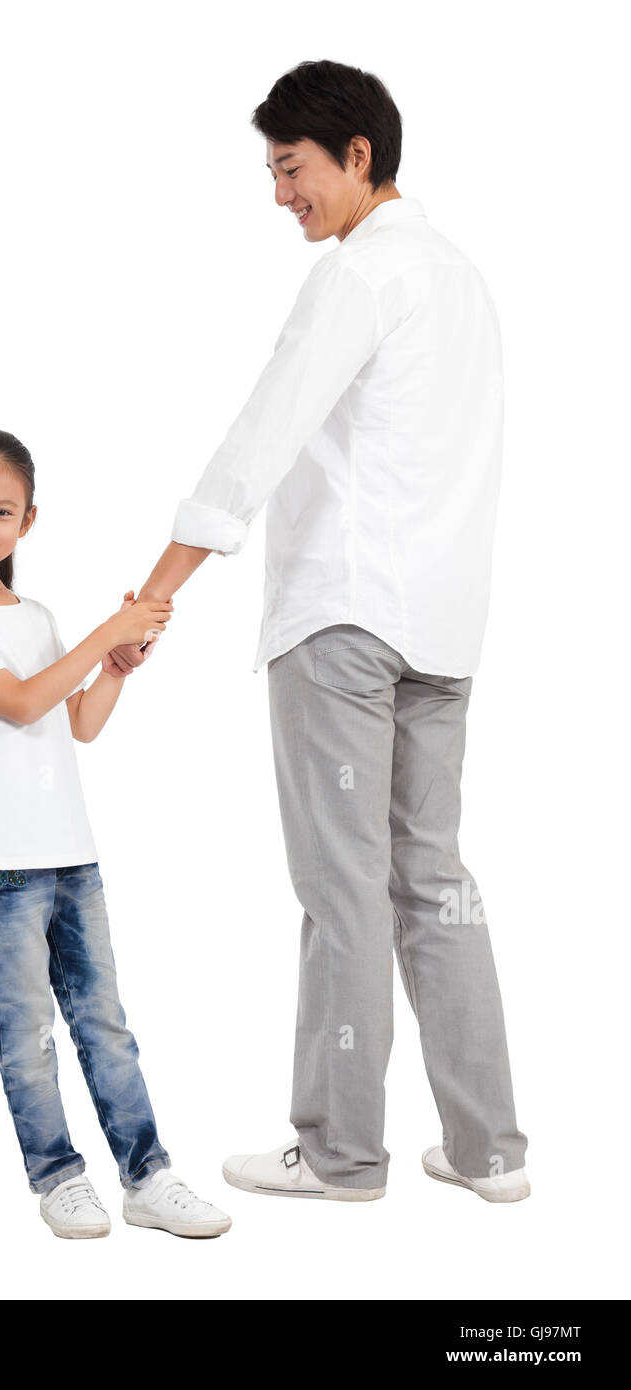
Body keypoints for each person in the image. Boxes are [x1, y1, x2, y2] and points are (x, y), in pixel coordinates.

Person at [108, 59, 530, 1204]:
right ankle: (488, 1151)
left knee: (341, 889)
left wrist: (156, 592)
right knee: (431, 882)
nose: (277, 195)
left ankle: (341, 1154)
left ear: (355, 155)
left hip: (344, 623)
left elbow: (261, 435)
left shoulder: (362, 273)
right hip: (444, 629)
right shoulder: (462, 280)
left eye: (289, 169)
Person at [0, 425, 232, 1240]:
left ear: (29, 522)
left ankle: (147, 1176)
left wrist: (113, 669)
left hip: (70, 854)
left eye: (2, 511)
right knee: (27, 1034)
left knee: (104, 1020)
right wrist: (102, 637)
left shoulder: (37, 614)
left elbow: (77, 720)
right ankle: (58, 1178)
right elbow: (17, 702)